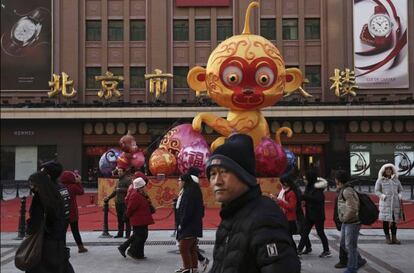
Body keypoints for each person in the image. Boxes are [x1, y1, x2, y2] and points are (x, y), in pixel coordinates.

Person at [206, 134, 300, 273]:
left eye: (224, 172)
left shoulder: (264, 218)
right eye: (212, 174)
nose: (217, 181)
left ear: (244, 175)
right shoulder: (231, 214)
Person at [26, 171, 74, 273]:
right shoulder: (56, 195)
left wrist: (29, 228)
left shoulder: (39, 198)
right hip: (57, 241)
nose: (32, 188)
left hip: (43, 243)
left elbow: (35, 222)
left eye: (33, 184)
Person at [174, 167, 206, 273]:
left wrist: (181, 224)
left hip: (189, 225)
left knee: (183, 248)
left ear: (184, 181)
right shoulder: (189, 191)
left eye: (179, 181)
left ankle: (187, 268)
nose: (178, 183)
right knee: (191, 248)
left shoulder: (189, 194)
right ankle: (194, 268)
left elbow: (187, 211)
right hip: (193, 225)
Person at [335, 170, 367, 272]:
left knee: (350, 246)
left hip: (352, 222)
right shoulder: (344, 189)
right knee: (344, 244)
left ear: (339, 180)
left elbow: (353, 208)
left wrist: (344, 218)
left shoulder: (347, 191)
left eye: (336, 179)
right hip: (347, 222)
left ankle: (352, 268)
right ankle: (360, 260)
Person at [297, 169, 331, 258]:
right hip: (309, 214)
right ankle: (299, 249)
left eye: (306, 178)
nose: (304, 180)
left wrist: (305, 197)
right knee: (305, 232)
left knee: (320, 232)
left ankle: (326, 250)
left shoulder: (317, 188)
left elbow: (317, 199)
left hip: (318, 215)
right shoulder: (309, 187)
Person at [119, 177, 154, 259]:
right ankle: (132, 251)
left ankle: (131, 250)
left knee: (140, 236)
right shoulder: (135, 195)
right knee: (140, 237)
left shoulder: (141, 194)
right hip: (138, 219)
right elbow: (130, 208)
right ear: (140, 187)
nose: (146, 187)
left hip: (142, 219)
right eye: (144, 186)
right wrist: (127, 216)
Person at [375, 163, 404, 244]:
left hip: (395, 204)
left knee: (394, 222)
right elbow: (376, 191)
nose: (388, 171)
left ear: (392, 170)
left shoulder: (396, 180)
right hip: (385, 204)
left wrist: (399, 195)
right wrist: (383, 196)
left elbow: (401, 189)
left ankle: (394, 238)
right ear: (384, 171)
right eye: (387, 169)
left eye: (390, 169)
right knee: (385, 221)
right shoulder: (380, 180)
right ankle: (388, 238)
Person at [60, 170, 88, 253]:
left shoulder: (60, 186)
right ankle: (80, 247)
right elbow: (81, 192)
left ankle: (62, 247)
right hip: (72, 212)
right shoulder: (73, 186)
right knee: (75, 230)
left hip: (63, 212)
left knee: (62, 231)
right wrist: (78, 182)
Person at [104, 169, 132, 238]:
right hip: (118, 202)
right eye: (118, 171)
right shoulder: (118, 180)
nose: (119, 173)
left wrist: (120, 189)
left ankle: (127, 234)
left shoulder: (128, 180)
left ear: (124, 172)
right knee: (119, 219)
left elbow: (130, 190)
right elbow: (115, 191)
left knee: (126, 219)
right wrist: (108, 197)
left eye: (120, 171)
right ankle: (120, 233)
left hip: (125, 202)